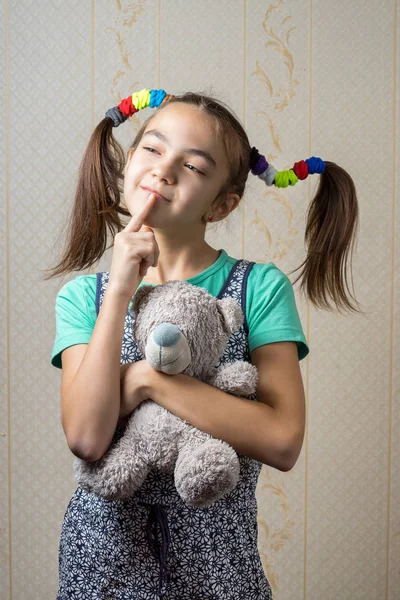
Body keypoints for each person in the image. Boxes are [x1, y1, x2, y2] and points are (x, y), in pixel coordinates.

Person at [47, 88, 359, 599]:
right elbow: (85, 435)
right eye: (152, 148)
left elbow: (281, 439)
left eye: (192, 165)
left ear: (221, 204)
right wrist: (122, 289)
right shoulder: (86, 296)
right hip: (100, 569)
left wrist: (147, 381)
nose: (164, 170)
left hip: (220, 573)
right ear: (129, 161)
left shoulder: (257, 289)